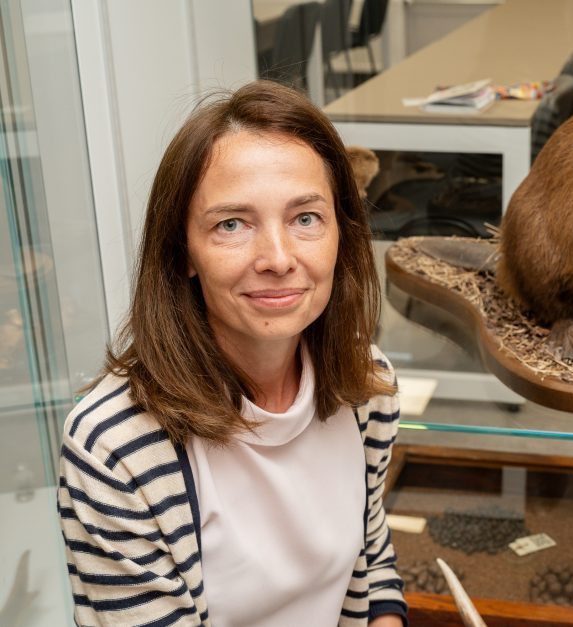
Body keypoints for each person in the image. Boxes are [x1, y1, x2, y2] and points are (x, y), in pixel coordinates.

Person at [56, 80, 407, 626]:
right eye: (232, 224)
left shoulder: (366, 386)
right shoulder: (115, 445)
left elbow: (371, 564)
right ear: (184, 253)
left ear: (344, 232)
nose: (277, 257)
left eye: (305, 218)